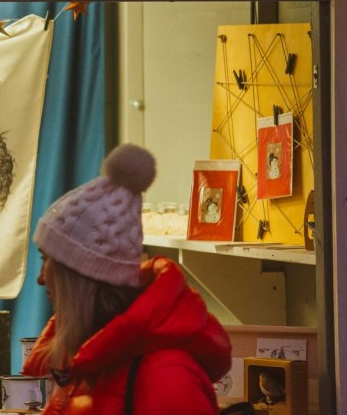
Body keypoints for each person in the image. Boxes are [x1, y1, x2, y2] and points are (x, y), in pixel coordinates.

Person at [22, 144, 232, 414]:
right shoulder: (90, 361)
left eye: (46, 260)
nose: (41, 279)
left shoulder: (166, 378)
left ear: (78, 277)